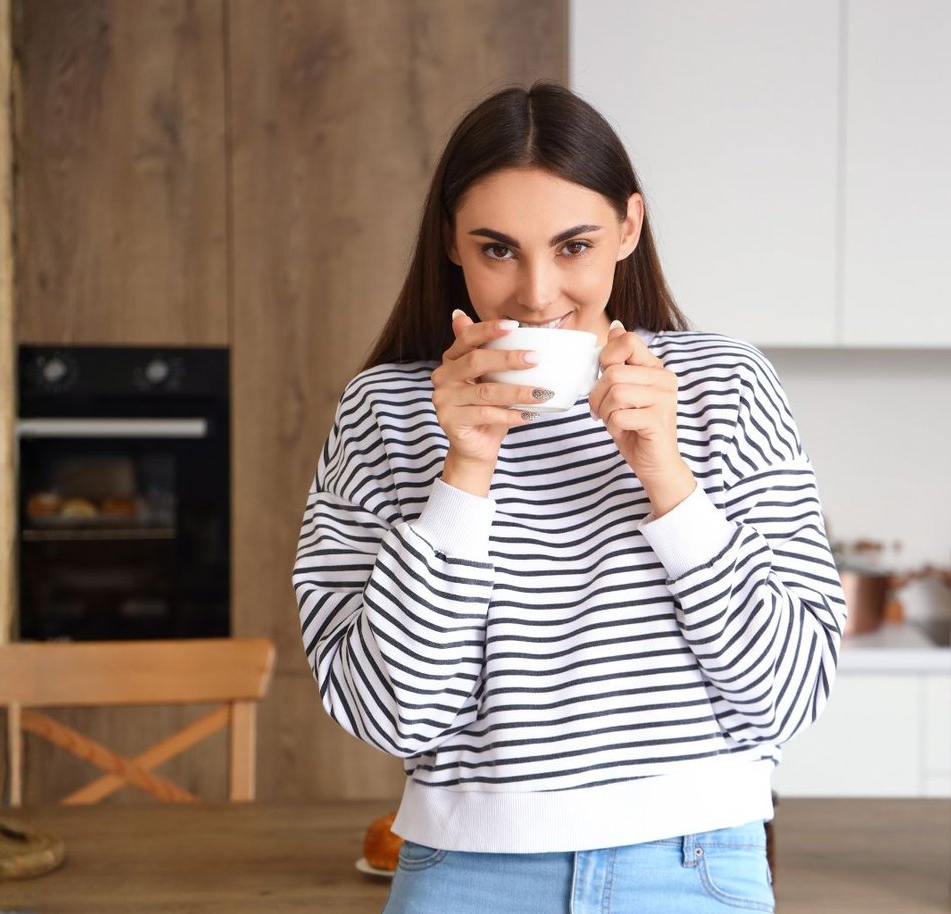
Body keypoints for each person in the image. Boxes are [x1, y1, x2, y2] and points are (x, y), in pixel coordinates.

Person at [292, 81, 846, 913]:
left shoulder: (726, 386)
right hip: (465, 876)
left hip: (695, 868)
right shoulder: (387, 412)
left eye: (574, 246)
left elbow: (789, 691)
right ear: (451, 242)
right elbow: (393, 714)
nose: (540, 293)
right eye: (499, 250)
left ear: (629, 225)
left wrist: (668, 477)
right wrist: (465, 473)